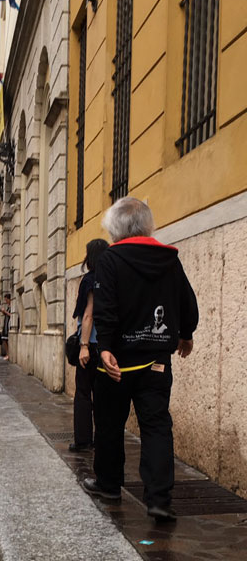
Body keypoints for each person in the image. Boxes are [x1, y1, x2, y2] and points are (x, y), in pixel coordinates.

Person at [82, 197, 199, 523]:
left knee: (109, 423)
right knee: (157, 425)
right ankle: (160, 498)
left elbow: (106, 306)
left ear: (115, 228)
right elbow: (187, 302)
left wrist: (104, 347)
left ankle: (109, 485)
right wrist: (185, 334)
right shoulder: (169, 259)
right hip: (156, 361)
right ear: (148, 225)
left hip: (118, 361)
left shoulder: (110, 259)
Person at [69, 239, 109, 452]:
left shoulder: (91, 280)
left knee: (84, 393)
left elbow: (88, 315)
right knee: (103, 395)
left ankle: (84, 440)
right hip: (107, 346)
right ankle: (102, 438)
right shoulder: (112, 279)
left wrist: (83, 345)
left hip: (91, 344)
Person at [0, 293, 11, 360]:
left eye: (6, 300)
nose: (6, 301)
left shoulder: (12, 306)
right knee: (4, 339)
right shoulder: (8, 307)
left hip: (9, 325)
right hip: (5, 324)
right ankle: (7, 353)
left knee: (6, 340)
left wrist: (5, 312)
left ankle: (8, 354)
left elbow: (12, 315)